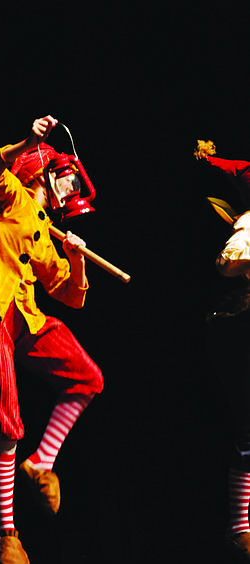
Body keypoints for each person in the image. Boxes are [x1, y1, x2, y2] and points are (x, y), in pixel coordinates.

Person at [0, 116, 104, 563]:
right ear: (42, 172)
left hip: (24, 316)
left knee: (87, 378)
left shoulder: (45, 228)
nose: (70, 186)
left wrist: (77, 259)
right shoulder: (14, 197)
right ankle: (7, 535)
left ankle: (42, 462)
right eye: (64, 175)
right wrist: (27, 141)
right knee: (6, 426)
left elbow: (70, 294)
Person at [196, 140, 250, 561]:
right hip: (236, 330)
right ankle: (239, 528)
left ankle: (239, 528)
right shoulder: (249, 226)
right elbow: (227, 262)